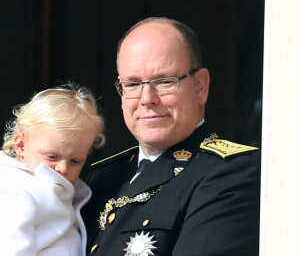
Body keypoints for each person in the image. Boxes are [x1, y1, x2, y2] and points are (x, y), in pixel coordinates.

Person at [82, 17, 260, 256]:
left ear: (200, 87)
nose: (147, 98)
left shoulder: (231, 174)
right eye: (133, 84)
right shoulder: (103, 178)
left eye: (165, 81)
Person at [0, 84, 105, 256]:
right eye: (52, 157)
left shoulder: (63, 190)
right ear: (20, 145)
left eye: (75, 161)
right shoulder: (13, 187)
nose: (63, 168)